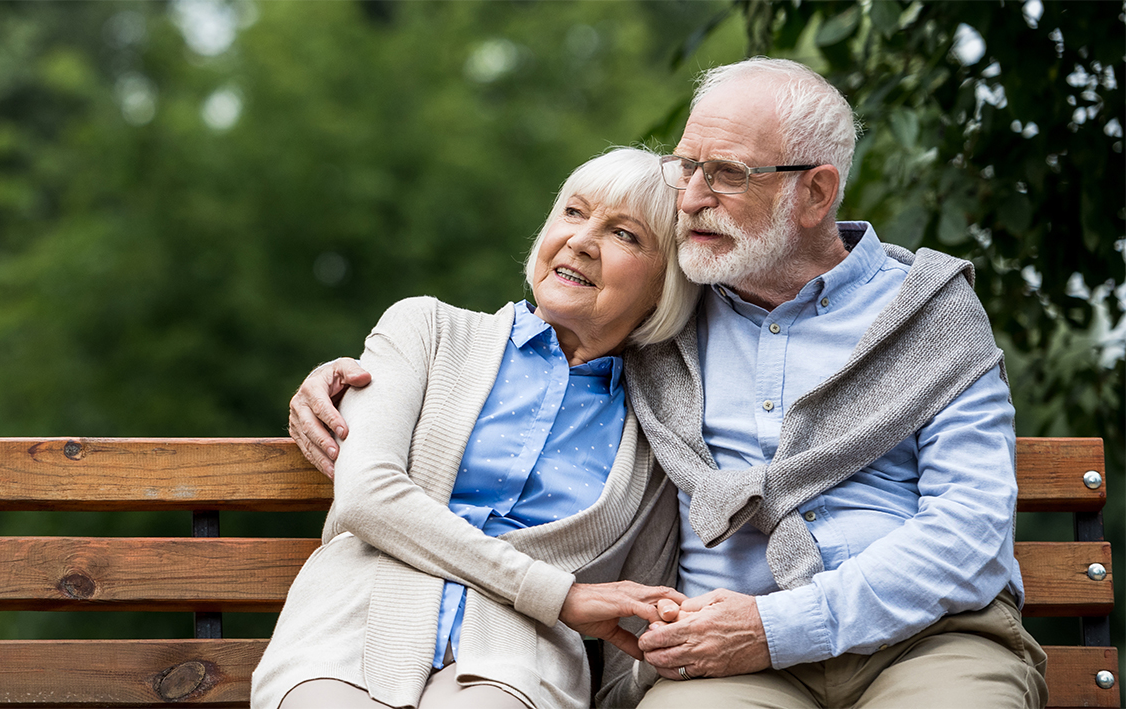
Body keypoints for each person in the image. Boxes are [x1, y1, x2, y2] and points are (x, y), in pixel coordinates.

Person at [289, 58, 1047, 709]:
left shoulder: (930, 311)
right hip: (721, 659)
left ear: (816, 194)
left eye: (725, 175)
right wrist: (350, 381)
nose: (688, 198)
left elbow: (971, 529)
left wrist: (777, 625)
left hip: (927, 639)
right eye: (687, 166)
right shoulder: (667, 318)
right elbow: (549, 331)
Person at [252, 147, 700, 709]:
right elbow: (367, 496)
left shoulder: (656, 429)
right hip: (349, 634)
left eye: (625, 235)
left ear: (667, 284)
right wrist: (559, 595)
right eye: (574, 212)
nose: (582, 241)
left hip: (516, 671)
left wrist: (659, 660)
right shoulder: (426, 330)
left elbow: (628, 646)